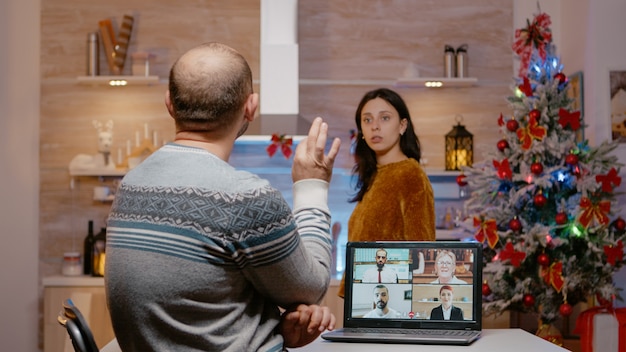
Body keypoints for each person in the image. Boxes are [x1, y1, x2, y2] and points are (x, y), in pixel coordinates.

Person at [104, 42, 342, 352]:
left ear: (170, 105)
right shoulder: (244, 197)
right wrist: (312, 186)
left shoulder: (131, 184)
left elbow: (190, 314)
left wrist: (275, 331)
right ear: (250, 107)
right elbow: (311, 287)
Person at [339, 88, 436, 297]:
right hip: (365, 297)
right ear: (362, 131)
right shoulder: (374, 177)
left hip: (394, 301)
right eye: (367, 120)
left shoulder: (410, 174)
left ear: (402, 125)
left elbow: (423, 250)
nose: (375, 126)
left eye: (384, 118)